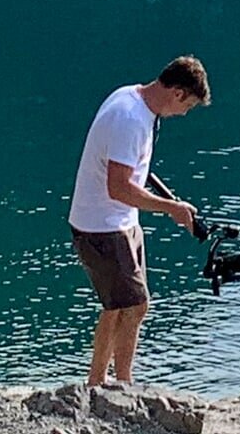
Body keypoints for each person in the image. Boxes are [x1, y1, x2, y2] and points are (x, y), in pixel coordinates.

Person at [72, 56, 208, 390]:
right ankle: (120, 383)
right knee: (133, 304)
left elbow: (129, 167)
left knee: (120, 305)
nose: (185, 113)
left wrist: (171, 206)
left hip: (119, 220)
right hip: (102, 224)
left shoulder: (133, 100)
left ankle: (99, 383)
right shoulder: (129, 118)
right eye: (188, 105)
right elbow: (117, 187)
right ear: (176, 93)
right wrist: (169, 209)